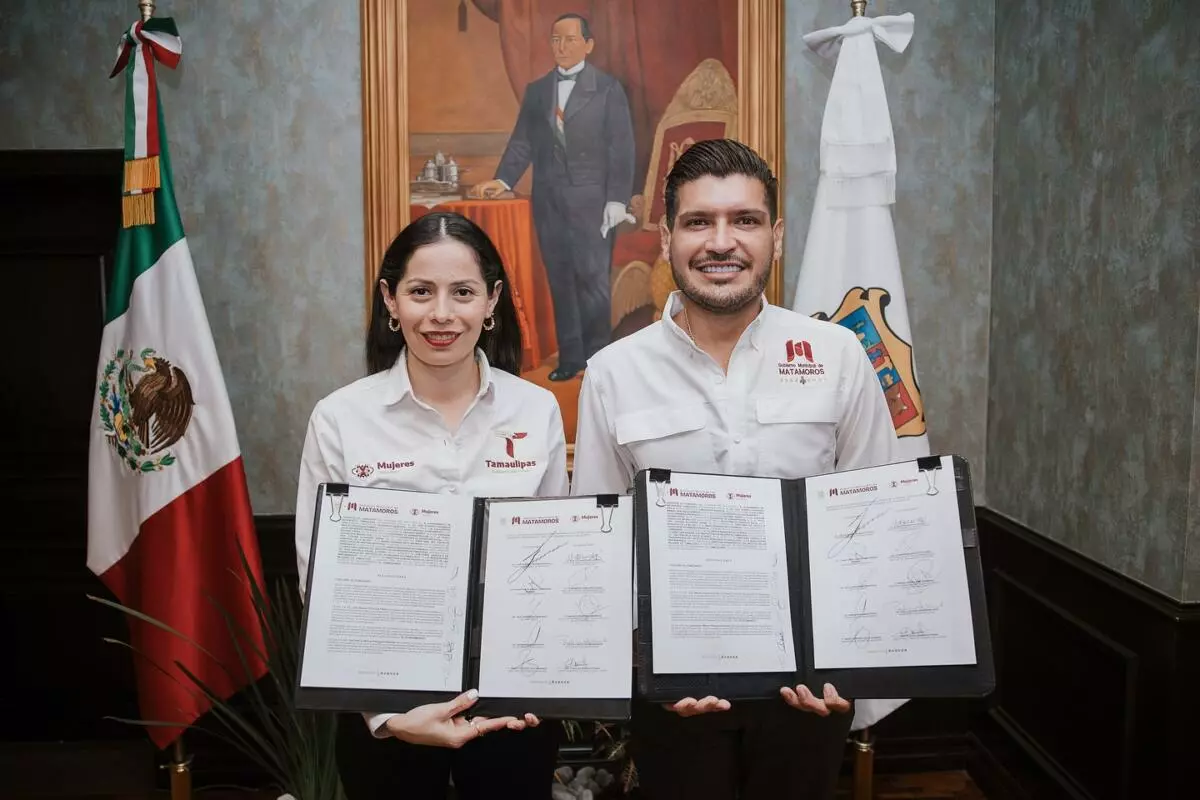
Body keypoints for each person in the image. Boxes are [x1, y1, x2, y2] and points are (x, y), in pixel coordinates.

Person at [570, 139, 900, 800]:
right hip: (675, 691)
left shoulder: (838, 355)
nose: (721, 242)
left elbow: (878, 517)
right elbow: (598, 543)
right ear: (667, 238)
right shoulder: (613, 373)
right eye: (699, 222)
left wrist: (851, 667)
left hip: (811, 684)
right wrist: (645, 665)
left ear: (775, 235)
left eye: (744, 220)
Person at [294, 211, 570, 799]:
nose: (441, 313)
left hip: (511, 707)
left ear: (492, 301)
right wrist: (387, 718)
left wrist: (542, 682)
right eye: (421, 291)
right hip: (387, 709)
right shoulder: (340, 418)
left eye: (462, 292)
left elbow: (557, 563)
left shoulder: (536, 410)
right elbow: (321, 582)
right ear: (390, 301)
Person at [469, 12, 635, 381]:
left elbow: (621, 150)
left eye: (570, 39)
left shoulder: (608, 89)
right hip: (549, 202)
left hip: (593, 204)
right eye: (556, 40)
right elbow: (522, 143)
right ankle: (571, 359)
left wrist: (616, 200)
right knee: (560, 281)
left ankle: (598, 362)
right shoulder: (538, 90)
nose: (561, 47)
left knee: (593, 282)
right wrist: (502, 180)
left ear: (588, 45)